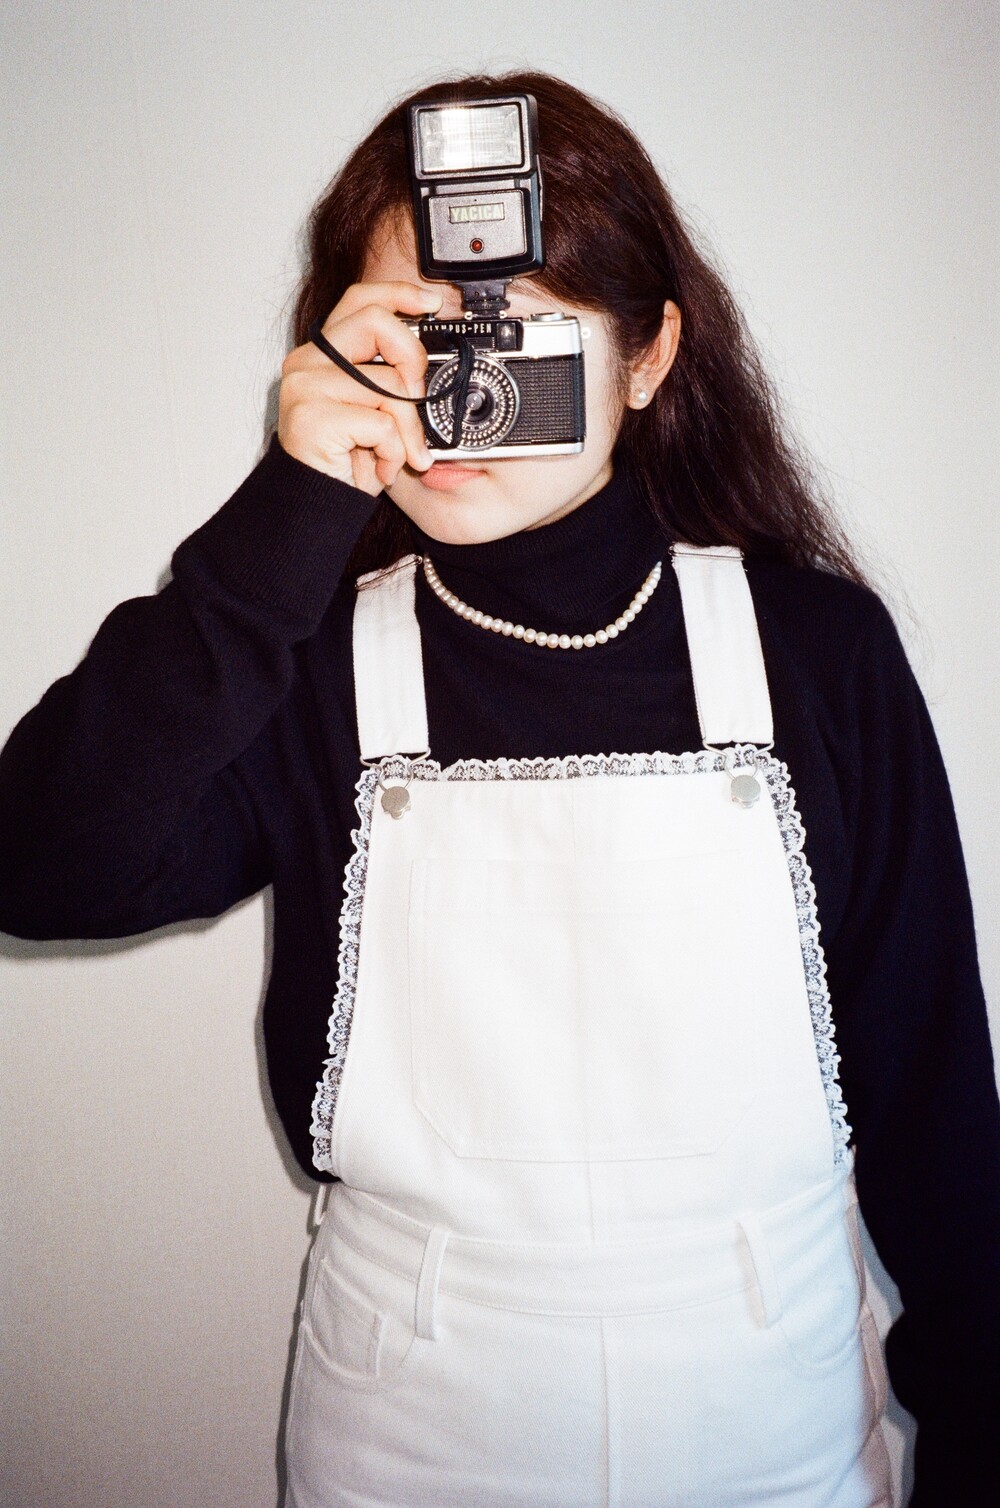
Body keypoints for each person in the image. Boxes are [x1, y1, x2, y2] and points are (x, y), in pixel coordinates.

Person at [1, 68, 997, 1508]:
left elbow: (932, 1098)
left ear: (649, 356)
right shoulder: (307, 659)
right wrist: (285, 517)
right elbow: (40, 866)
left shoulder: (817, 650)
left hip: (770, 1429)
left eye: (513, 333)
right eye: (412, 338)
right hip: (403, 1438)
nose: (460, 396)